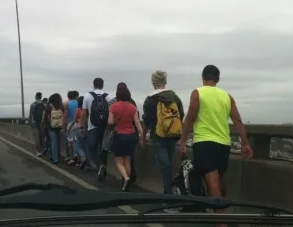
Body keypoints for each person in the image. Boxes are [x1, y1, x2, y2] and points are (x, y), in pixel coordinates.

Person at [178, 65, 253, 226]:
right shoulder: (227, 96)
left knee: (212, 182)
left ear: (203, 77)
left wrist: (183, 140)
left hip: (204, 142)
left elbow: (189, 118)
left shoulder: (198, 93)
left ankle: (221, 222)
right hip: (224, 143)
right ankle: (222, 210)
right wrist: (245, 143)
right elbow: (238, 121)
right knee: (219, 179)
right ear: (218, 79)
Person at [142, 70, 185, 198]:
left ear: (153, 82)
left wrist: (143, 138)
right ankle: (172, 190)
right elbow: (181, 115)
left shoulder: (150, 99)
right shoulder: (175, 97)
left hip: (158, 136)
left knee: (164, 166)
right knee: (169, 164)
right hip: (173, 135)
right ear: (165, 82)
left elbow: (147, 120)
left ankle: (168, 194)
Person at [108, 83, 144, 192]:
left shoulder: (113, 106)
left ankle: (126, 178)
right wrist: (142, 136)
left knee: (119, 160)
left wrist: (115, 122)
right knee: (127, 160)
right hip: (131, 136)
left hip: (119, 135)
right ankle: (125, 184)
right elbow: (137, 123)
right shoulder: (132, 107)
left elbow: (110, 122)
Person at [80, 78, 113, 179]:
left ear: (93, 85)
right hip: (105, 127)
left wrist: (82, 126)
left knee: (91, 148)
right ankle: (104, 169)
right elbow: (112, 113)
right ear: (103, 85)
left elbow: (84, 113)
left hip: (92, 126)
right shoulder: (108, 97)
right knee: (104, 149)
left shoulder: (88, 96)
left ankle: (100, 165)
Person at [42, 93, 65, 164]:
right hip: (59, 126)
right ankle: (58, 155)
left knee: (53, 142)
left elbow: (45, 117)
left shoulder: (48, 106)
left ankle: (55, 159)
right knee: (58, 141)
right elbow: (63, 115)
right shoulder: (61, 106)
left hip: (51, 127)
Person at [70, 96, 87, 169]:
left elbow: (74, 121)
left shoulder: (77, 110)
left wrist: (69, 128)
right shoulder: (86, 110)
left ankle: (82, 159)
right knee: (85, 146)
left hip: (79, 128)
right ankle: (87, 162)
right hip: (86, 128)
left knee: (78, 145)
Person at [29, 92, 46, 156]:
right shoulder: (44, 104)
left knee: (36, 138)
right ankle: (43, 150)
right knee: (42, 137)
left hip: (34, 122)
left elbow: (30, 114)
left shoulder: (33, 104)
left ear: (36, 97)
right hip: (42, 122)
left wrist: (30, 122)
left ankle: (38, 152)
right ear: (41, 97)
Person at [64, 91, 79, 165]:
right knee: (76, 141)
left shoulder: (67, 104)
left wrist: (64, 126)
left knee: (70, 142)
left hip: (70, 124)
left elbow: (65, 116)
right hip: (78, 124)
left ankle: (71, 158)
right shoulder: (79, 103)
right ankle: (77, 157)